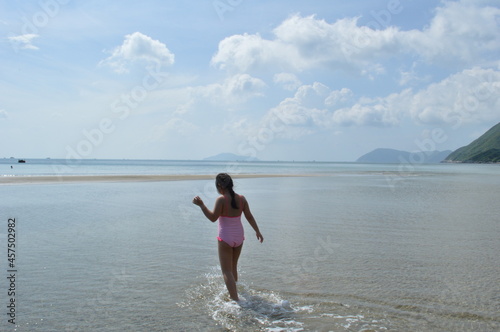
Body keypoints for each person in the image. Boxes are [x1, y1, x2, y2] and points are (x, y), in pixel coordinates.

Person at [192, 173, 263, 301]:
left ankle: (235, 300)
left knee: (226, 271)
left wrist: (202, 205)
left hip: (225, 238)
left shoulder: (222, 200)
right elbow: (249, 216)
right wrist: (257, 231)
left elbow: (213, 218)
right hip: (239, 237)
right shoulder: (242, 199)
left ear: (220, 186)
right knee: (233, 266)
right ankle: (234, 291)